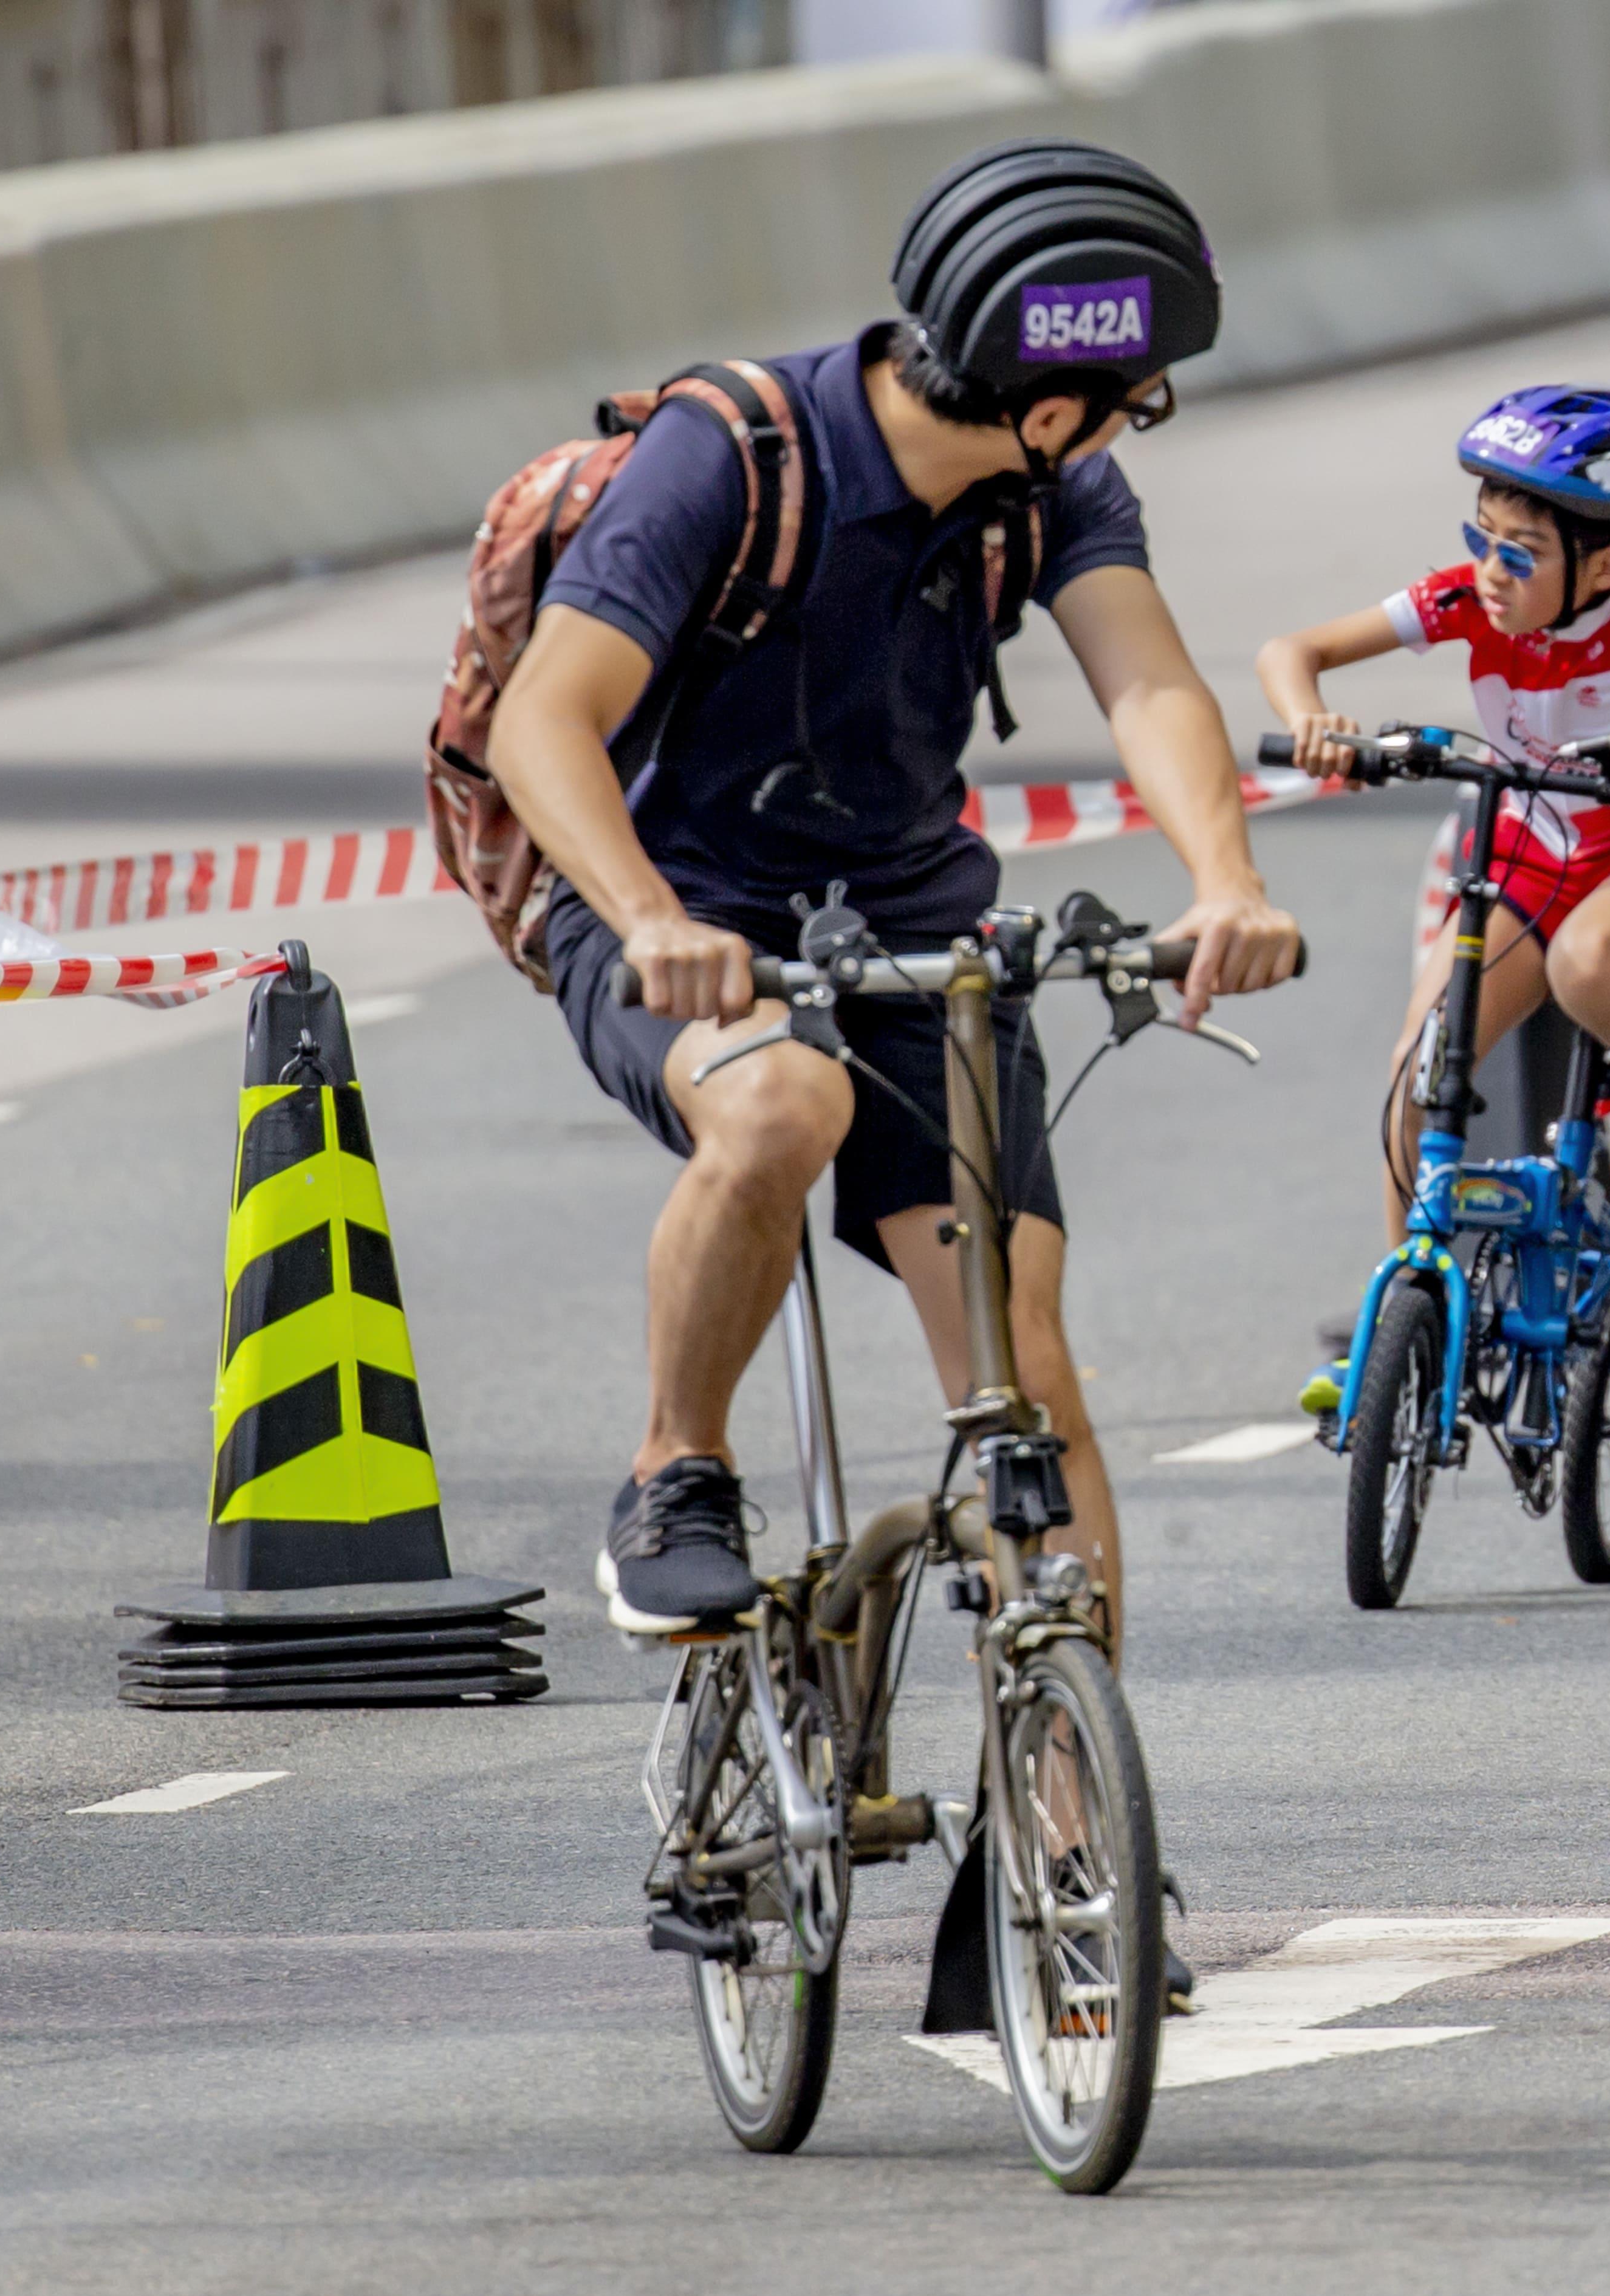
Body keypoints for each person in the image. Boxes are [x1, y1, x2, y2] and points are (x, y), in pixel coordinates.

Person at [490, 140, 1301, 1647]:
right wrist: (656, 916)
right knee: (784, 1106)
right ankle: (678, 1470)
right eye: (1134, 395)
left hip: (920, 940)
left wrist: (1224, 878)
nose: (1134, 423)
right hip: (673, 920)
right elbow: (541, 721)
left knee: (1020, 1356)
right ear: (1046, 403)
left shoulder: (1053, 493)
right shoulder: (732, 454)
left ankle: (1068, 1821)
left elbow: (1153, 686)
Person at [1258, 388, 1610, 1408]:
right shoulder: (1468, 598)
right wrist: (1313, 717)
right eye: (1482, 537)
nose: (1490, 570)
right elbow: (1292, 654)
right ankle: (1404, 1322)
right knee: (1416, 1073)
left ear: (1603, 564)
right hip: (1527, 855)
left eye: (1519, 551)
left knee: (1587, 965)